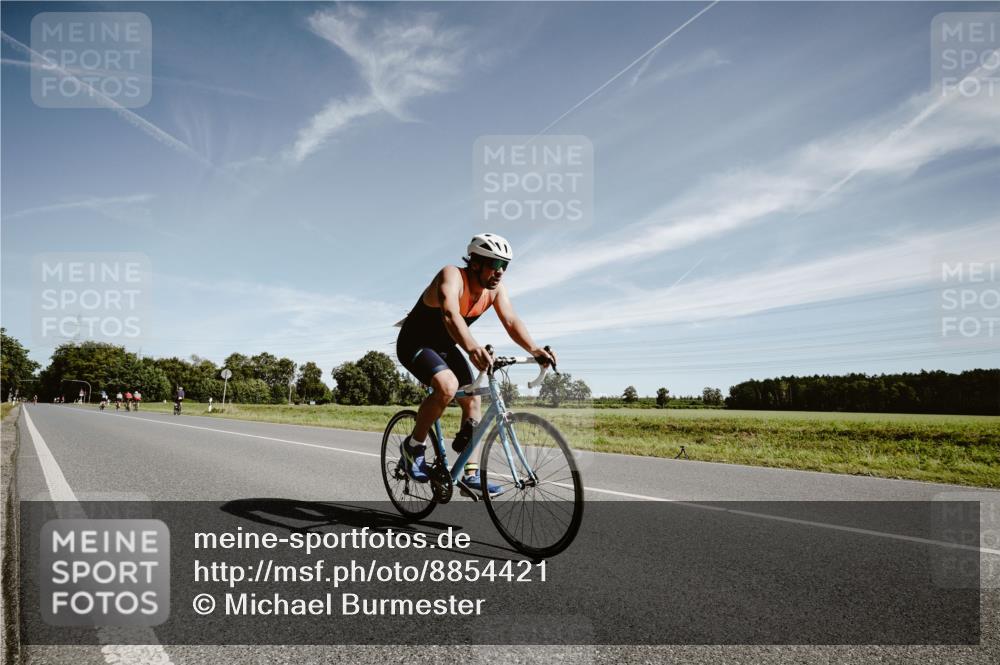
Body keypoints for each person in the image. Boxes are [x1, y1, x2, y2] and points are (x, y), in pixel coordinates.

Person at [395, 233, 556, 496]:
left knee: (473, 399)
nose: (500, 272)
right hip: (415, 342)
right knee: (447, 386)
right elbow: (450, 314)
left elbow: (512, 321)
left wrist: (535, 349)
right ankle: (413, 447)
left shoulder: (494, 290)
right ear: (475, 262)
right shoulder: (452, 275)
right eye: (494, 264)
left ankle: (470, 474)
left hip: (445, 347)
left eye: (505, 266)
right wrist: (472, 348)